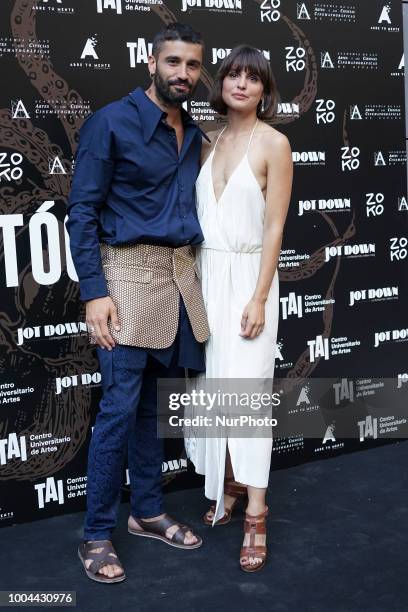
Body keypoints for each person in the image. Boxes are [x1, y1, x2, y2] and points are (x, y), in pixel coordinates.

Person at [67, 22, 210, 584]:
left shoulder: (194, 129)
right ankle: (97, 534)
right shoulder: (112, 122)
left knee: (151, 408)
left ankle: (147, 512)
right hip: (124, 278)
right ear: (152, 63)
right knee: (119, 409)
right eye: (173, 62)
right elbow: (82, 212)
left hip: (176, 281)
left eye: (193, 66)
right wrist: (95, 292)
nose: (183, 74)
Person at [186, 45, 293, 572]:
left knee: (247, 393)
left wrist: (258, 295)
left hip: (251, 280)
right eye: (234, 75)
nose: (242, 84)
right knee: (212, 389)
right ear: (221, 83)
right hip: (208, 277)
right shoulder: (205, 141)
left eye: (253, 78)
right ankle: (224, 487)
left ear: (265, 89)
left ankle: (256, 509)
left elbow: (275, 227)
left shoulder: (275, 143)